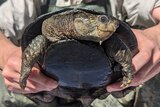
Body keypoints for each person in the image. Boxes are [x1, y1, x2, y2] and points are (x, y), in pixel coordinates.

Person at [0, 0, 160, 107]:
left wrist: (156, 37)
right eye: (102, 20)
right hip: (45, 90)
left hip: (103, 92)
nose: (109, 24)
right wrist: (7, 54)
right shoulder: (28, 3)